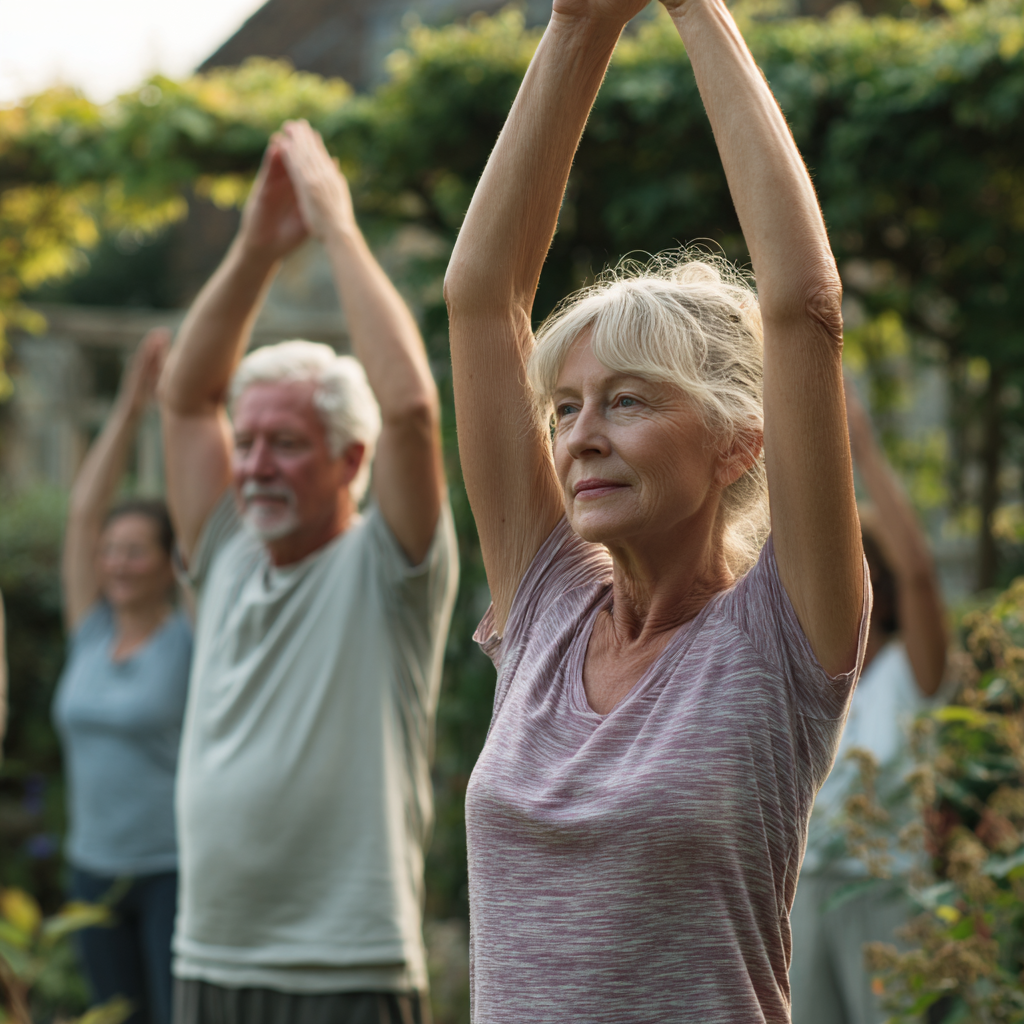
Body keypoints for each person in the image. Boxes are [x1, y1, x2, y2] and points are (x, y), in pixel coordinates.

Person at [442, 0, 871, 1019]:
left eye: (627, 401)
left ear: (736, 442)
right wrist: (578, 26)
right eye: (565, 407)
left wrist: (695, 8)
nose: (581, 434)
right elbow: (480, 297)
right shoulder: (544, 604)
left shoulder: (779, 634)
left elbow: (802, 305)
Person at [159, 119, 457, 1024]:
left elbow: (410, 406)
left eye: (286, 445)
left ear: (349, 459)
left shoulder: (391, 569)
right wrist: (256, 248)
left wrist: (338, 228)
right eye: (246, 444)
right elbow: (185, 396)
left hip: (349, 971)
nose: (252, 467)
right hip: (210, 955)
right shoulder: (228, 549)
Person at [789, 382, 948, 1024]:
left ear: (872, 580)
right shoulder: (806, 674)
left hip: (888, 894)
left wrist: (864, 451)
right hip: (801, 897)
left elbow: (921, 573)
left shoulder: (913, 676)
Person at [53, 328, 191, 1024]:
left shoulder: (189, 636)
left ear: (171, 565)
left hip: (171, 869)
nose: (116, 563)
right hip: (91, 870)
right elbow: (82, 516)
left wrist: (175, 414)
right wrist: (129, 408)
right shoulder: (91, 630)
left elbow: (195, 518)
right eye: (111, 552)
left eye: (136, 551)